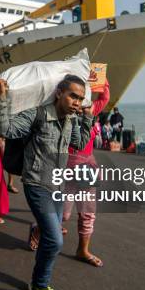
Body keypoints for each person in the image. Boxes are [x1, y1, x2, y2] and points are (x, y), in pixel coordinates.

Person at [0, 74, 92, 290]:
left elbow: (79, 144)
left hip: (58, 186)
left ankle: (42, 282)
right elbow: (4, 129)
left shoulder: (71, 119)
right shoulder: (38, 114)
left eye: (80, 98)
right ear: (59, 93)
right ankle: (39, 285)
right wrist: (1, 96)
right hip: (37, 185)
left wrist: (85, 118)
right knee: (55, 240)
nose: (76, 102)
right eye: (73, 96)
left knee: (51, 239)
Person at [62, 79, 110, 267]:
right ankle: (38, 228)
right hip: (65, 170)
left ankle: (82, 250)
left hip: (87, 170)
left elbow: (105, 96)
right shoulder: (64, 114)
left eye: (83, 100)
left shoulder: (91, 112)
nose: (80, 104)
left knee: (87, 213)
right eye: (77, 99)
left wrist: (100, 77)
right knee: (62, 215)